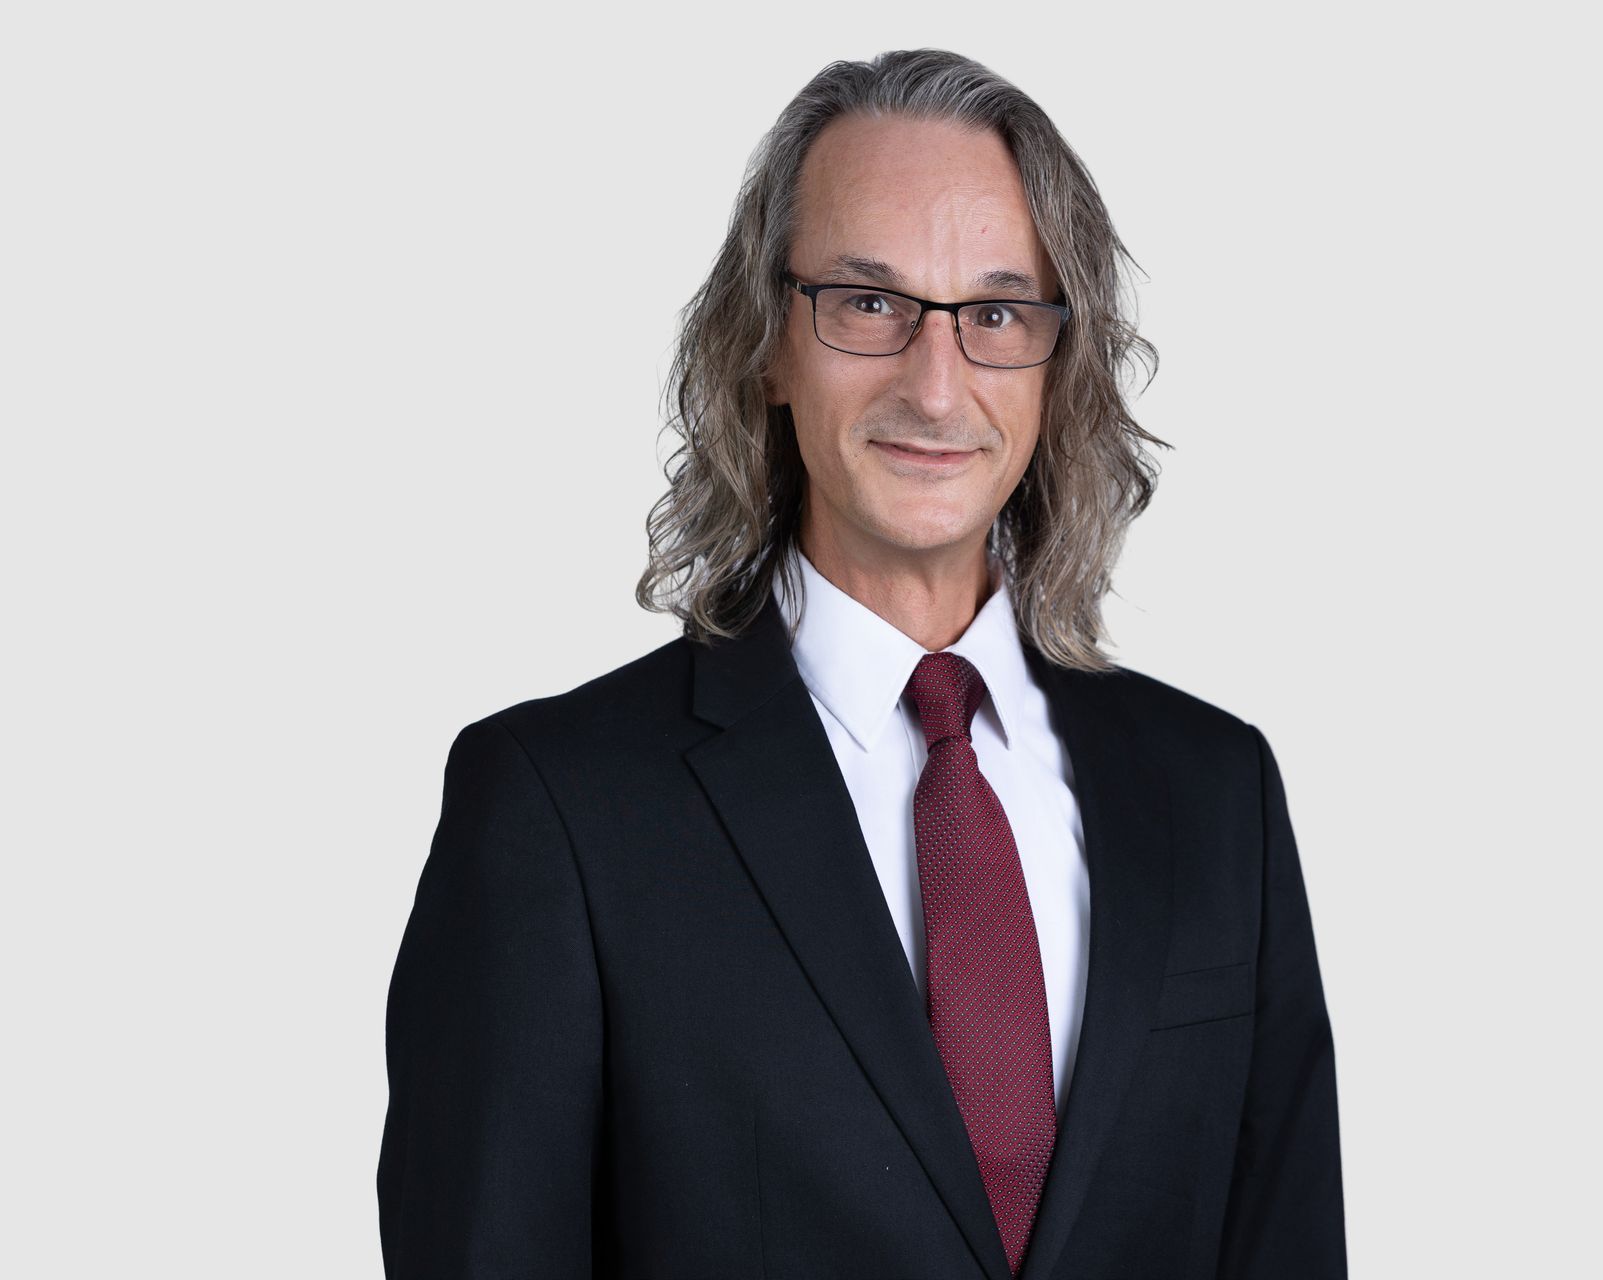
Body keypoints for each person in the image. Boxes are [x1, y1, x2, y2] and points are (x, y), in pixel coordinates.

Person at [378, 47, 1346, 1280]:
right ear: (768, 346)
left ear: (1059, 364)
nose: (935, 387)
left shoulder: (1219, 797)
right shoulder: (558, 810)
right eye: (868, 303)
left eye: (996, 312)